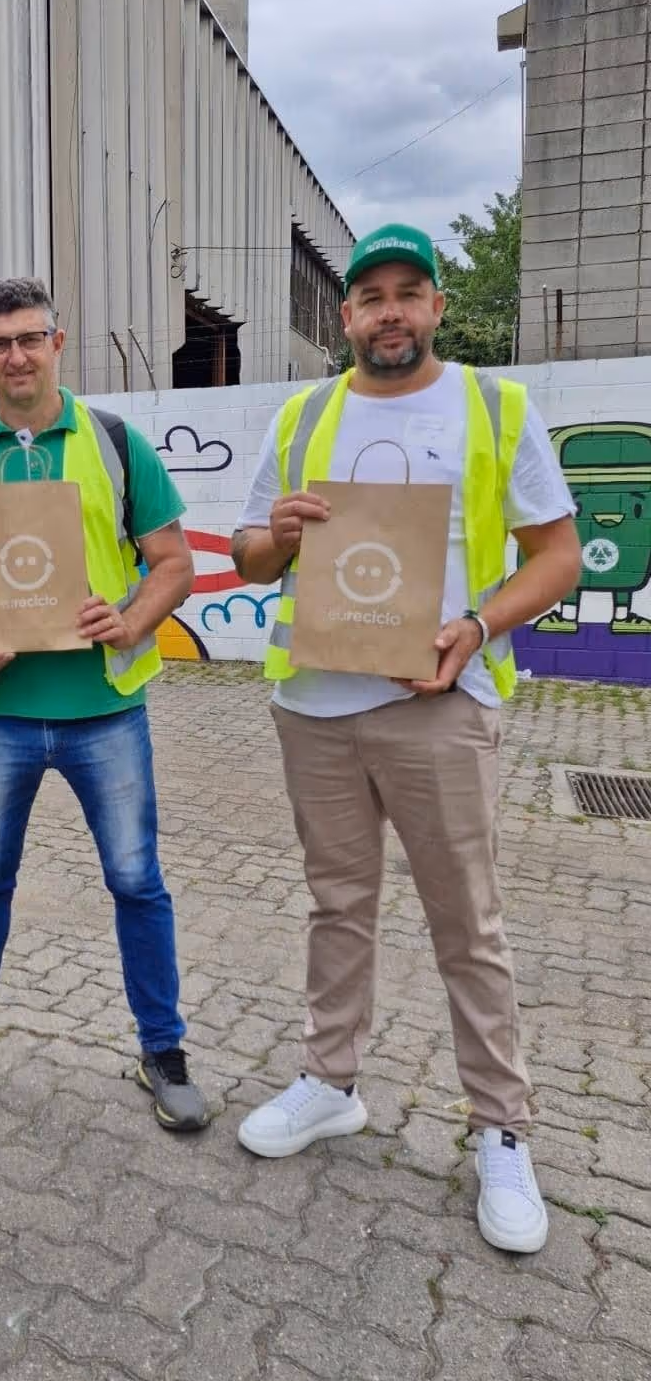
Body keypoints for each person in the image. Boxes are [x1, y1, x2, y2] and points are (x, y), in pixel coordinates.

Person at [231, 222, 581, 1253]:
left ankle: (502, 1130)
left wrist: (476, 625)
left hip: (441, 702)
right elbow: (251, 555)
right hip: (316, 709)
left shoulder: (492, 405)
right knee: (337, 905)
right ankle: (331, 1080)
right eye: (369, 295)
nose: (389, 310)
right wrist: (280, 536)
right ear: (343, 317)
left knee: (465, 924)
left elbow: (556, 557)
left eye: (408, 292)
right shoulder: (302, 414)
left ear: (436, 307)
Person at [0, 276, 208, 1131]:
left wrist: (131, 617)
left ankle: (163, 1047)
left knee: (137, 880)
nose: (17, 356)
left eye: (31, 338)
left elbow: (173, 562)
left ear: (57, 343)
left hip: (104, 710)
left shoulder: (113, 443)